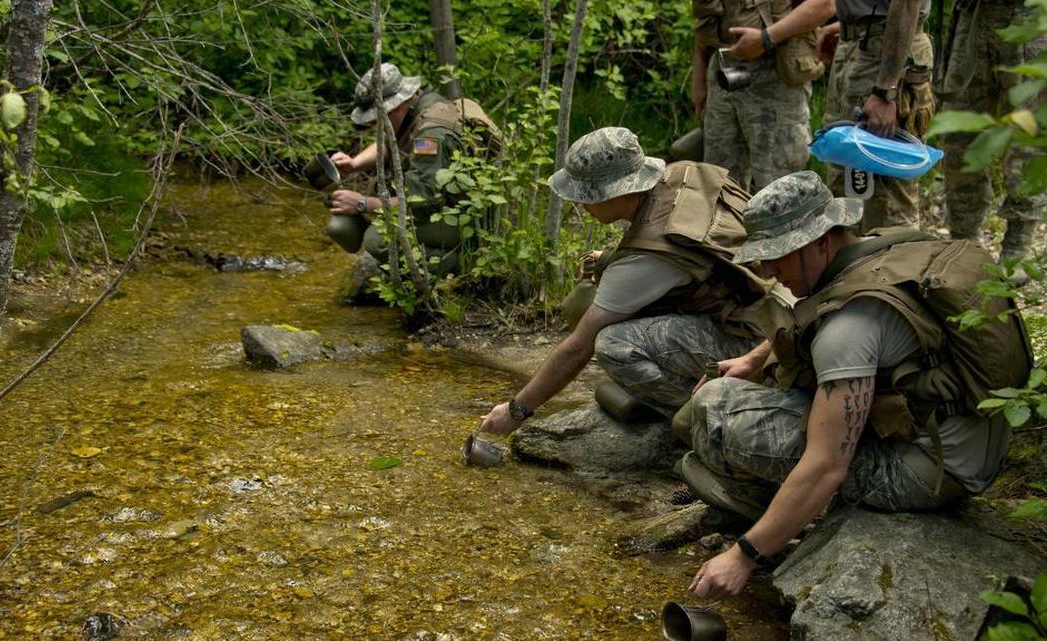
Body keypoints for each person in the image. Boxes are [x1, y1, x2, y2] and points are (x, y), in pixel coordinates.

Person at [678, 171, 1030, 598]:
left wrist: (745, 555)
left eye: (777, 255)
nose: (766, 269)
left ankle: (762, 508)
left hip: (928, 476)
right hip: (969, 449)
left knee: (716, 407)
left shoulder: (847, 329)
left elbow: (827, 466)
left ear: (820, 241)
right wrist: (754, 360)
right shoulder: (889, 248)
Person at [478, 127, 770, 436]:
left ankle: (705, 420)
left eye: (586, 195)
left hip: (753, 343)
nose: (582, 205)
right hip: (770, 313)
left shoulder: (648, 259)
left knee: (614, 344)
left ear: (616, 191)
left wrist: (516, 409)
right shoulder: (685, 174)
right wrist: (610, 259)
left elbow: (578, 348)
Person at [324, 62, 500, 275]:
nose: (373, 126)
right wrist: (355, 163)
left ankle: (458, 267)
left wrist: (362, 204)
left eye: (376, 119)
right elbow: (392, 140)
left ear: (396, 106)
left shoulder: (430, 138)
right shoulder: (420, 105)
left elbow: (421, 204)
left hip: (470, 218)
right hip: (454, 204)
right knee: (382, 208)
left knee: (377, 240)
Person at [938, 0, 1047, 279]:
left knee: (1027, 136)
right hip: (973, 18)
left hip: (1029, 19)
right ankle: (964, 245)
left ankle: (1017, 246)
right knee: (959, 135)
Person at [691, 0, 835, 192]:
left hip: (775, 76)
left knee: (778, 188)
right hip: (723, 73)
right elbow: (709, 20)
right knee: (719, 184)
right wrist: (699, 73)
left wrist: (767, 38)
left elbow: (824, 5)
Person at [820, 0, 936, 231]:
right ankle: (854, 266)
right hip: (858, 45)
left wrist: (886, 89)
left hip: (886, 55)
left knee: (887, 201)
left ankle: (896, 267)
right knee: (845, 193)